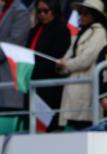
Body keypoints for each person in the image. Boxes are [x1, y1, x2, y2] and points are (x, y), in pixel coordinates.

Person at [56, 0, 107, 130]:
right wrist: (60, 65)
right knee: (75, 127)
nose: (81, 16)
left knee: (85, 126)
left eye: (86, 14)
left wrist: (65, 65)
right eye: (81, 13)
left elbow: (86, 59)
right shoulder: (80, 33)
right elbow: (69, 56)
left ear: (95, 16)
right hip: (74, 87)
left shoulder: (100, 32)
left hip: (86, 88)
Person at [26, 0, 69, 129]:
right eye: (39, 11)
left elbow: (56, 58)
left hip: (50, 87)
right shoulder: (34, 31)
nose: (42, 14)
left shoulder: (61, 30)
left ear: (54, 10)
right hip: (33, 84)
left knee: (47, 127)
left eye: (46, 11)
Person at [0, 0, 30, 113]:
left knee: (8, 113)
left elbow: (13, 42)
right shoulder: (0, 9)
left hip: (9, 72)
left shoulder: (21, 12)